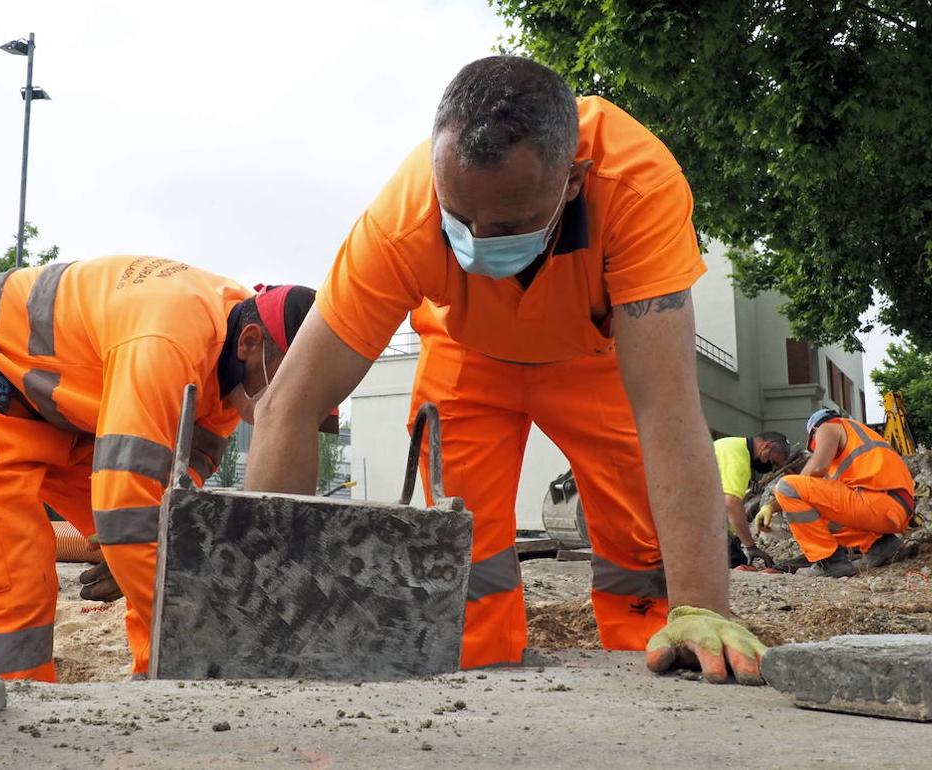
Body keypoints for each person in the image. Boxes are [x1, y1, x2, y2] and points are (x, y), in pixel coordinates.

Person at [244, 56, 767, 684]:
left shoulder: (635, 187)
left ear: (572, 182)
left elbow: (669, 407)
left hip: (595, 362)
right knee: (468, 559)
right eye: (459, 220)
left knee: (643, 549)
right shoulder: (402, 219)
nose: (478, 242)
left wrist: (703, 608)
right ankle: (478, 672)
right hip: (467, 364)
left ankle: (667, 657)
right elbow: (288, 405)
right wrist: (265, 611)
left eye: (510, 225)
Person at [0, 255, 316, 681]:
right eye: (289, 386)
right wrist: (210, 632)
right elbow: (128, 508)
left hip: (65, 411)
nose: (291, 407)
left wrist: (137, 547)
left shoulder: (232, 375)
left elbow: (172, 504)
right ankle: (7, 716)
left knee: (168, 548)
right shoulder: (169, 337)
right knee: (7, 587)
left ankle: (169, 688)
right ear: (249, 343)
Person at [758, 409, 915, 577]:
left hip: (877, 503)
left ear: (814, 432)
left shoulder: (829, 427)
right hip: (894, 509)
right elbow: (829, 499)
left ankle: (829, 562)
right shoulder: (860, 438)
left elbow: (816, 468)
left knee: (787, 486)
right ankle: (879, 545)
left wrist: (773, 505)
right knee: (820, 508)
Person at [713, 432, 790, 568]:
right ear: (767, 446)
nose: (771, 468)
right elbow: (732, 503)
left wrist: (735, 537)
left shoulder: (732, 445)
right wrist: (750, 546)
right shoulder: (738, 459)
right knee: (733, 562)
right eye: (772, 462)